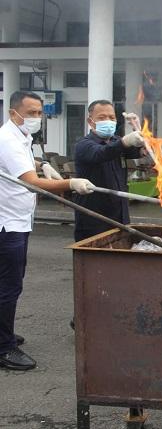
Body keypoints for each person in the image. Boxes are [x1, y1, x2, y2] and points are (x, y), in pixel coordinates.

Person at [0, 91, 93, 371]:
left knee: (8, 283)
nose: (36, 118)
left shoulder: (20, 137)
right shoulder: (8, 139)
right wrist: (70, 183)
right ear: (14, 113)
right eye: (31, 113)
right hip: (9, 224)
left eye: (40, 113)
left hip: (18, 219)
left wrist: (44, 166)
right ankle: (4, 348)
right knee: (9, 285)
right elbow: (31, 182)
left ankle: (3, 333)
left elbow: (27, 167)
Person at [73, 100, 145, 241]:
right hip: (94, 218)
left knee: (120, 258)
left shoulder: (116, 141)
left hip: (120, 215)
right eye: (102, 117)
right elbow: (102, 153)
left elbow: (143, 152)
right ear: (90, 121)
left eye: (112, 118)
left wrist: (140, 132)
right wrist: (125, 141)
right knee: (95, 260)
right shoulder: (84, 145)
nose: (108, 121)